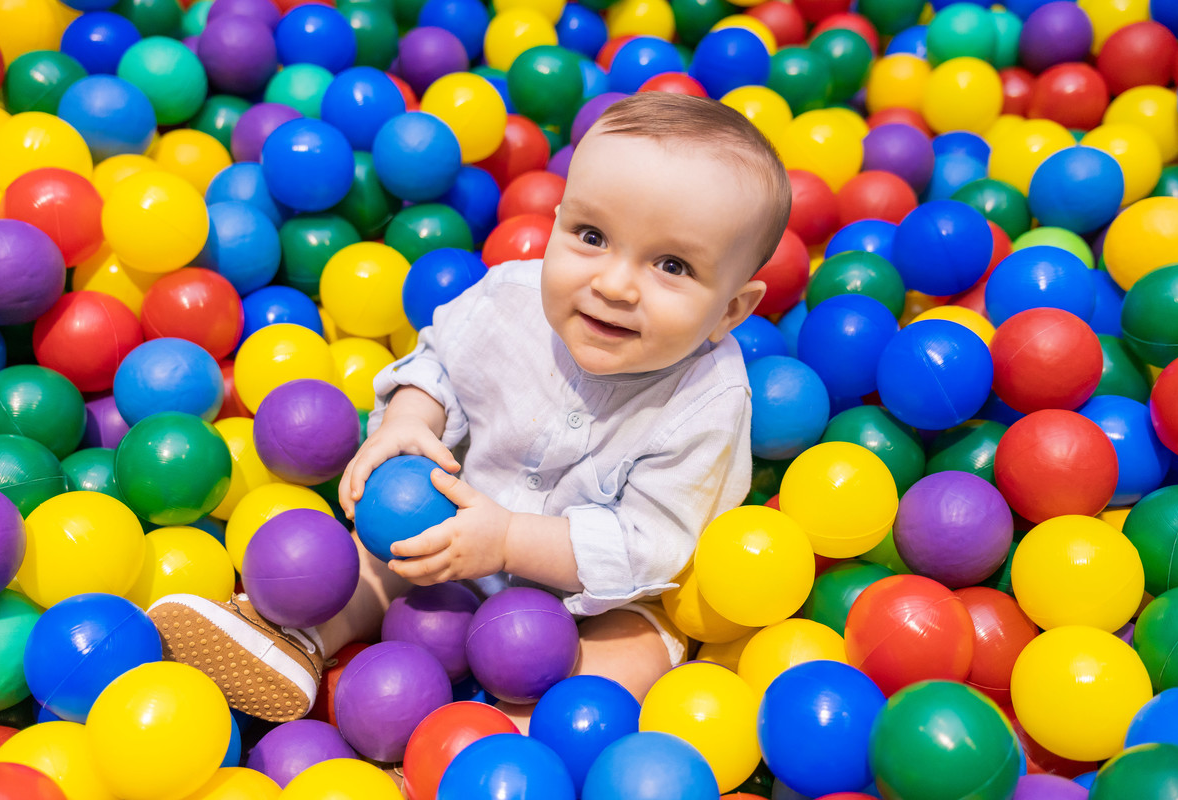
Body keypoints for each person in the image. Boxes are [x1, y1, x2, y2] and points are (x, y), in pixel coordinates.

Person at [148, 92, 792, 731]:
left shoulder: (708, 401)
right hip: (447, 531)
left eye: (671, 265)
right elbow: (439, 366)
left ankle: (517, 734)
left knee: (637, 649)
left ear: (734, 310)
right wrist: (408, 423)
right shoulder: (508, 297)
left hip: (593, 601)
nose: (615, 284)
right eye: (592, 236)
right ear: (558, 220)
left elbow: (652, 546)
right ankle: (298, 634)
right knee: (378, 553)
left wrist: (510, 540)